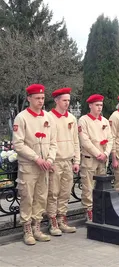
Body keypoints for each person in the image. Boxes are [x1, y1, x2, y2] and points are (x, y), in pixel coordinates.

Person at [13, 84, 57, 245]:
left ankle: (37, 227)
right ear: (29, 99)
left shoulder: (47, 117)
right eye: (37, 98)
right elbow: (18, 143)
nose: (40, 101)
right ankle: (27, 230)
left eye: (43, 98)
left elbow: (53, 142)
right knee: (27, 197)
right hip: (29, 166)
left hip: (44, 165)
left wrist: (50, 159)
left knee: (41, 197)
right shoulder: (22, 117)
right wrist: (36, 158)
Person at [47, 88, 80, 236]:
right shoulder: (48, 117)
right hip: (55, 160)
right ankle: (52, 221)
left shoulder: (72, 118)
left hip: (67, 160)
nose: (67, 103)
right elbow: (47, 142)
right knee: (53, 192)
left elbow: (76, 141)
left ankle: (62, 219)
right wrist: (50, 160)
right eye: (64, 100)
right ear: (56, 100)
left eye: (68, 100)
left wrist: (76, 161)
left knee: (65, 192)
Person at [78, 94, 113, 221]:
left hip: (102, 159)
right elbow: (85, 140)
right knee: (88, 186)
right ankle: (89, 210)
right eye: (97, 105)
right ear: (90, 105)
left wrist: (106, 153)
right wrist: (97, 153)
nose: (99, 107)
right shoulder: (84, 120)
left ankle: (99, 208)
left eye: (101, 105)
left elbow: (110, 139)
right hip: (90, 158)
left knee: (101, 186)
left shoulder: (104, 121)